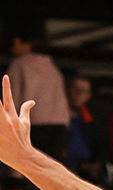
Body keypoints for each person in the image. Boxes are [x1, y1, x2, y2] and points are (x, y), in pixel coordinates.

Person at [5, 28, 69, 161]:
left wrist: (9, 125)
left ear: (27, 44)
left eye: (16, 43)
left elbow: (11, 98)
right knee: (51, 168)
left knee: (27, 166)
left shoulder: (19, 64)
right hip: (59, 125)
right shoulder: (51, 66)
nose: (13, 48)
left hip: (33, 124)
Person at [63, 76, 108, 184]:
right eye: (76, 89)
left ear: (88, 96)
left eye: (84, 91)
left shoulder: (93, 119)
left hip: (86, 171)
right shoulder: (56, 117)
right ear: (67, 90)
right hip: (64, 166)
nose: (79, 94)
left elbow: (101, 147)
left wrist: (95, 164)